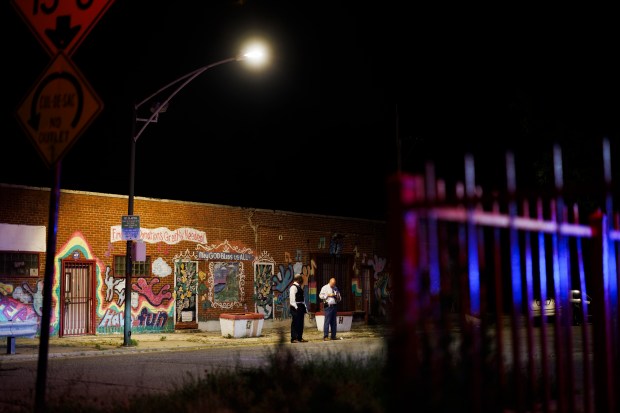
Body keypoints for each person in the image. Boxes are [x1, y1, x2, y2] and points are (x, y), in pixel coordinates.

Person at [289, 274, 308, 343]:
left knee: (300, 323)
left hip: (300, 306)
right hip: (295, 307)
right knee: (295, 323)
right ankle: (294, 338)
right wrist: (296, 308)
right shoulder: (293, 287)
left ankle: (299, 337)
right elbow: (292, 300)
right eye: (301, 279)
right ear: (299, 279)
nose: (302, 280)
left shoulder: (299, 287)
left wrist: (305, 307)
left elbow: (302, 299)